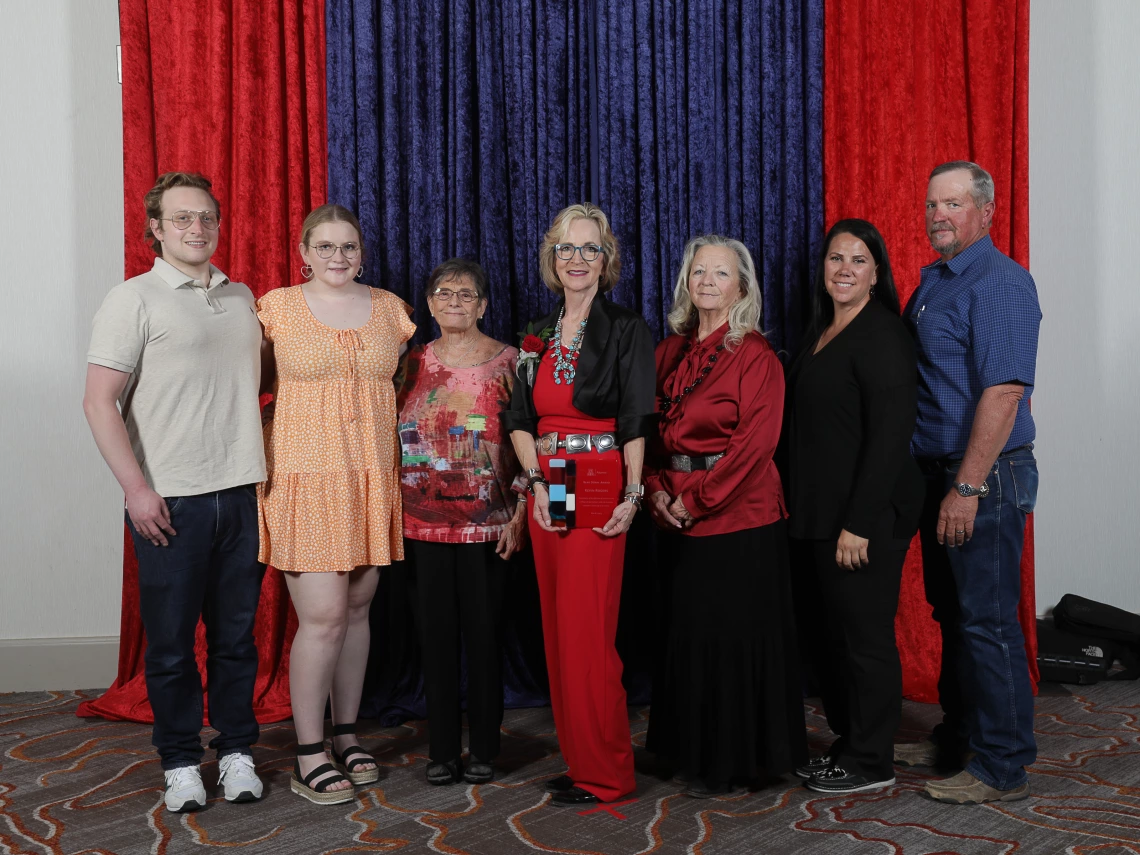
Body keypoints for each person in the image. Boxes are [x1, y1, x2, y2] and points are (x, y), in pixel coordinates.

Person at [83, 172, 266, 812]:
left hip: (242, 493)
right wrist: (136, 489)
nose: (197, 228)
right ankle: (182, 761)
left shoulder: (241, 297)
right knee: (168, 644)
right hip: (170, 501)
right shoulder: (133, 299)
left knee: (237, 640)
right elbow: (99, 403)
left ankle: (238, 750)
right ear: (156, 228)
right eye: (183, 218)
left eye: (208, 217)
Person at [257, 203, 416, 805]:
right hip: (305, 478)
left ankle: (346, 735)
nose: (338, 257)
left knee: (355, 612)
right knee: (321, 617)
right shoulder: (275, 309)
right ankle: (308, 751)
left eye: (348, 246)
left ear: (362, 251)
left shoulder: (391, 311)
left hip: (370, 477)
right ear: (304, 252)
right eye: (324, 247)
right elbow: (253, 390)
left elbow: (399, 388)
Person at [895, 161, 1042, 804]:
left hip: (985, 476)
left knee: (988, 622)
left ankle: (1002, 763)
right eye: (932, 205)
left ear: (985, 212)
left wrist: (968, 486)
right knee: (953, 616)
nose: (939, 216)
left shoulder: (1002, 281)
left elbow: (1004, 391)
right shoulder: (934, 281)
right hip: (937, 473)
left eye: (953, 204)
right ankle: (958, 737)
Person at [503, 203, 656, 806]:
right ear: (552, 258)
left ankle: (609, 773)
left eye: (590, 248)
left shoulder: (625, 328)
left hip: (597, 479)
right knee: (560, 629)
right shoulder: (535, 332)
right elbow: (518, 417)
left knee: (590, 633)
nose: (577, 259)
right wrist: (537, 484)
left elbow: (637, 417)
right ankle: (581, 759)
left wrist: (634, 493)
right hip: (551, 481)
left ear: (606, 259)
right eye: (567, 248)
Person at [644, 234, 807, 797]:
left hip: (741, 517)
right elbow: (646, 435)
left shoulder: (757, 356)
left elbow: (754, 447)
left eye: (720, 273)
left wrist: (693, 502)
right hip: (675, 509)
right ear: (687, 283)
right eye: (699, 272)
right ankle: (685, 749)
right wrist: (655, 490)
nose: (708, 282)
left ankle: (737, 759)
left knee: (734, 640)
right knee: (688, 637)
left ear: (742, 286)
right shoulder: (668, 352)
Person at [785, 219, 923, 794]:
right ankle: (849, 743)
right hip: (816, 517)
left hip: (863, 521)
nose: (844, 269)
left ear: (876, 274)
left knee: (864, 641)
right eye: (836, 258)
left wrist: (858, 525)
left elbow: (891, 438)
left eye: (859, 260)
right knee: (832, 641)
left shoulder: (883, 334)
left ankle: (872, 761)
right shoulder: (821, 330)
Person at [395, 258, 528, 785]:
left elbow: (531, 441)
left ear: (484, 304)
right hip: (420, 525)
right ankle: (443, 749)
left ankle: (486, 749)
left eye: (466, 294)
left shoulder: (511, 362)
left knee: (484, 634)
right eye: (444, 293)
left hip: (489, 526)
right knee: (435, 636)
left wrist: (520, 507)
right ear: (428, 304)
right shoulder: (408, 363)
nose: (454, 301)